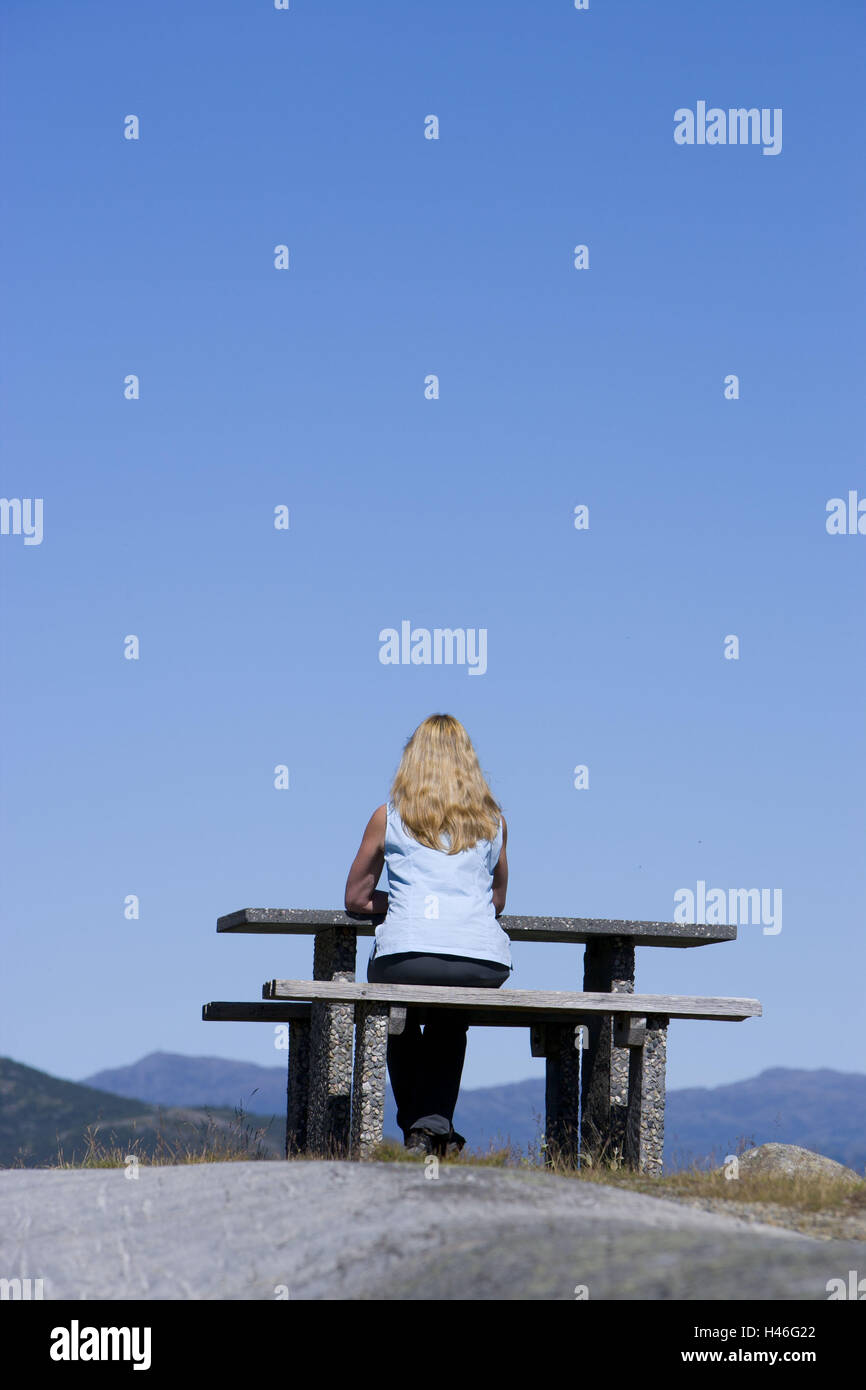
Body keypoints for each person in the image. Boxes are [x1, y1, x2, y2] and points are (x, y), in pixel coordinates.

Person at [344, 713, 511, 1157]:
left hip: (407, 956)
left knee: (393, 1010)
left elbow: (356, 899)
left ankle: (421, 1128)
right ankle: (435, 1132)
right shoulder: (493, 822)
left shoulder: (389, 818)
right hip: (483, 962)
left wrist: (401, 903)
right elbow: (496, 900)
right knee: (450, 1013)